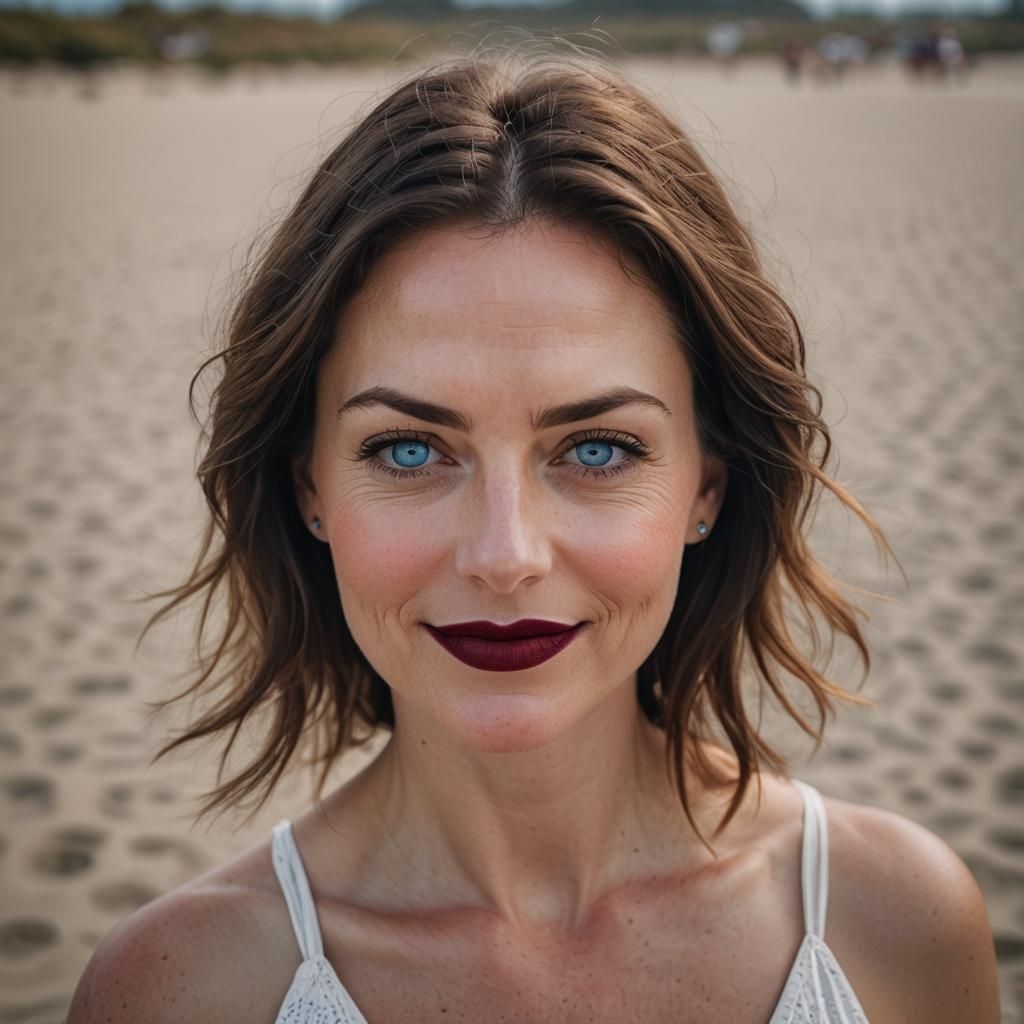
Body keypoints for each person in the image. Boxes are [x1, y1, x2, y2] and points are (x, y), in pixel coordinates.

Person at [68, 46, 1001, 1023]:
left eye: (596, 449)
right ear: (310, 489)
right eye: (409, 450)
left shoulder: (897, 921)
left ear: (707, 486)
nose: (505, 555)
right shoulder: (180, 988)